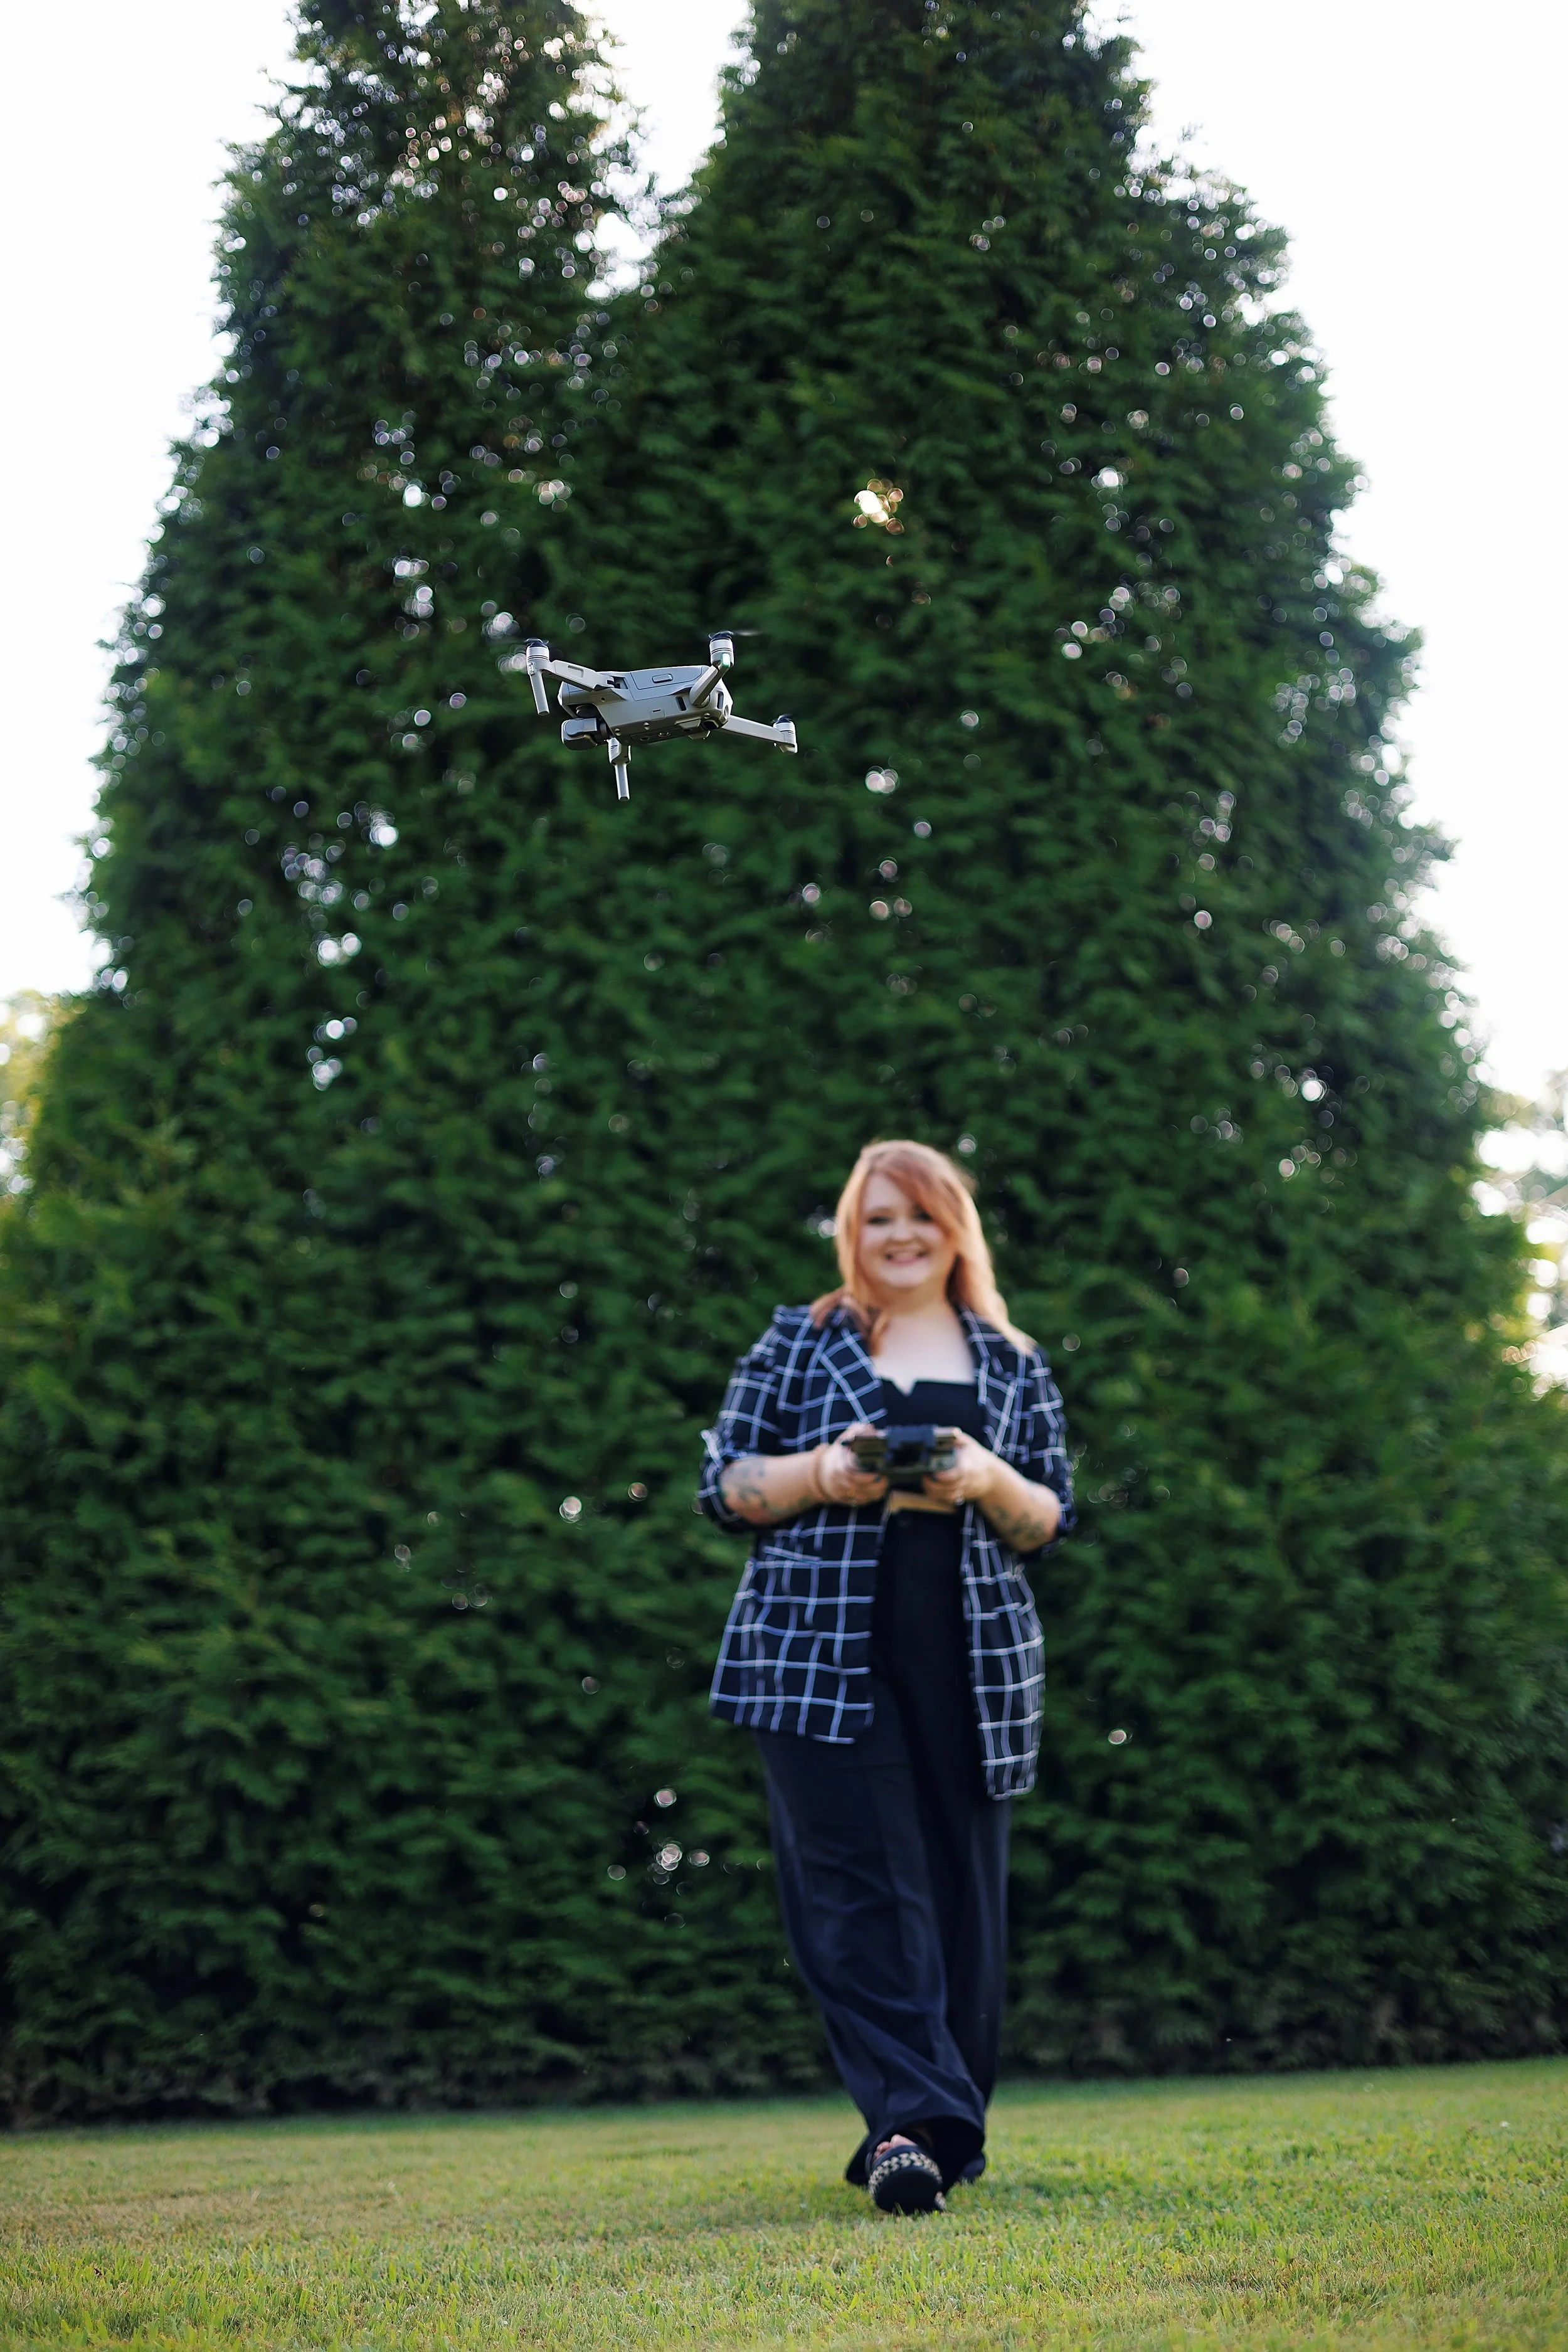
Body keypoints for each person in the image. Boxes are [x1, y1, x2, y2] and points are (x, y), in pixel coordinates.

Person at [698, 1139, 1074, 2215]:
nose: (900, 1234)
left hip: (971, 1657)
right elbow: (724, 1485)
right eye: (877, 1217)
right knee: (857, 1898)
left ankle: (945, 2129)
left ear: (955, 1224)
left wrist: (982, 1474)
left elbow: (1050, 1517)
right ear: (850, 1233)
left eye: (920, 1213)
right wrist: (826, 1470)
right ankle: (914, 2121)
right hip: (811, 1655)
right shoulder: (800, 1340)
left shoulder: (1011, 1360)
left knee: (961, 1902)